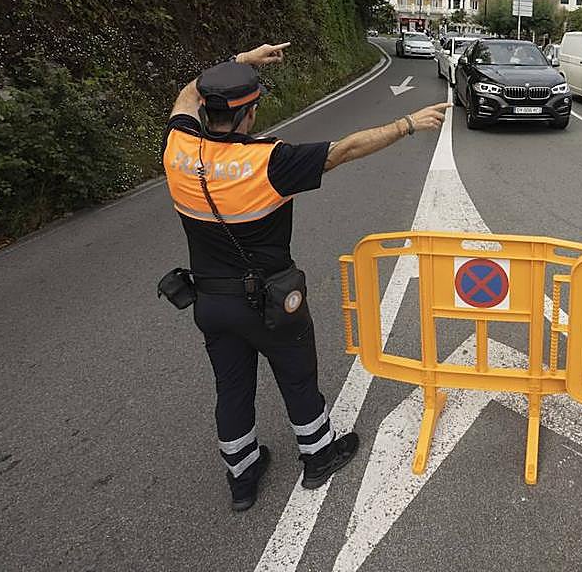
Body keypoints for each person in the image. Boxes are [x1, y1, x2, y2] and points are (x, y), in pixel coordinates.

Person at [162, 43, 449, 512]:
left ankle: (242, 476)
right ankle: (319, 454)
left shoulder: (178, 146)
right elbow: (345, 150)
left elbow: (187, 95)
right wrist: (408, 123)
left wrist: (240, 61)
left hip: (210, 303)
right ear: (249, 113)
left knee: (231, 387)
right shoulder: (269, 161)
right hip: (270, 303)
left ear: (208, 112)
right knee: (296, 377)